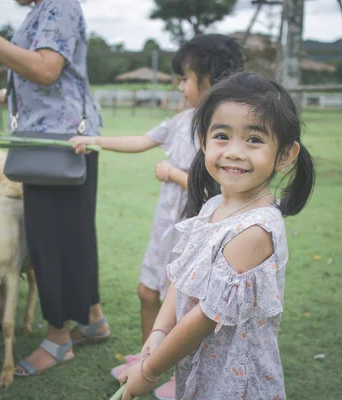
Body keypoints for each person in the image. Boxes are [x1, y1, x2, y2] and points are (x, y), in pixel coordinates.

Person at [117, 72, 316, 400]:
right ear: (203, 140)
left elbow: (207, 316)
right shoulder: (211, 206)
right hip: (200, 364)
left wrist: (150, 371)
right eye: (222, 135)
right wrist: (158, 331)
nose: (235, 151)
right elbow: (181, 279)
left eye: (254, 139)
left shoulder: (255, 231)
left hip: (236, 381)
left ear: (284, 154)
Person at [71, 34, 243, 399]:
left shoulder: (224, 129)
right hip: (166, 226)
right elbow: (141, 140)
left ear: (209, 77)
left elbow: (220, 190)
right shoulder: (183, 120)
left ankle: (178, 373)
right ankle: (148, 359)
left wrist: (173, 174)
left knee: (184, 307)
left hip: (197, 230)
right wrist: (95, 142)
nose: (180, 86)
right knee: (147, 291)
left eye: (184, 78)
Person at [0, 0, 109, 377]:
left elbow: (46, 69)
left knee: (50, 240)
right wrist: (3, 96)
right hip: (59, 139)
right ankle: (92, 320)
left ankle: (57, 340)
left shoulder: (60, 5)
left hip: (56, 143)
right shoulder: (46, 9)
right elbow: (55, 75)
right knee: (75, 235)